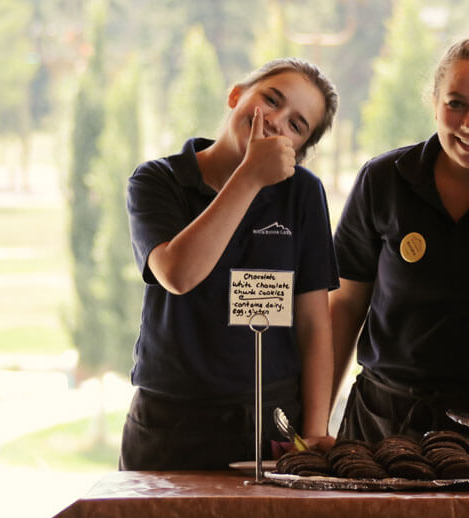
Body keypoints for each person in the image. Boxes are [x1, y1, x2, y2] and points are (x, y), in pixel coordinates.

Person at [330, 8, 469, 442]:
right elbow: (343, 308)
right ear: (434, 101)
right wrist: (313, 420)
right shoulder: (384, 179)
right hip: (378, 420)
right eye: (456, 103)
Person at [120, 58, 340, 470]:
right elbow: (178, 274)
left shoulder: (303, 194)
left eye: (296, 125)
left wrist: (313, 432)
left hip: (269, 418)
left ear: (298, 150)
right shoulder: (158, 179)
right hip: (169, 419)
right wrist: (250, 177)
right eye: (270, 100)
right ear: (236, 95)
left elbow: (314, 323)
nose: (275, 122)